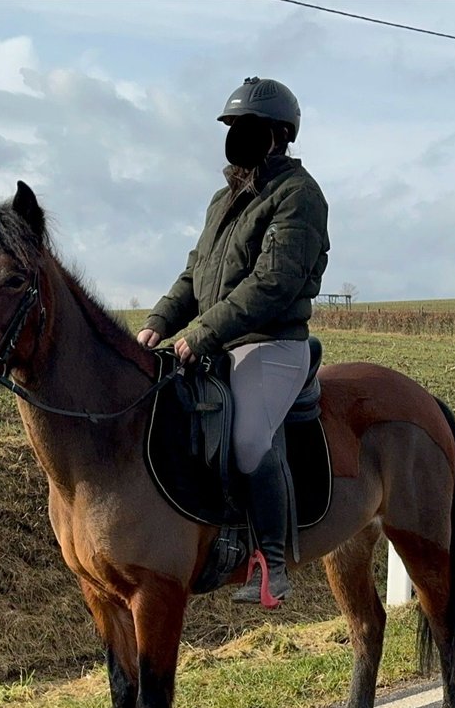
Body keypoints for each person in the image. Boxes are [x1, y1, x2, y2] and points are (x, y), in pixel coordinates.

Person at [136, 76, 330, 604]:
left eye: (247, 129)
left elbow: (272, 284)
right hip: (217, 342)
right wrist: (160, 321)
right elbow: (195, 273)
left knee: (247, 438)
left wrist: (202, 332)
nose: (236, 138)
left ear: (277, 134)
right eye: (232, 128)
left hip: (270, 344)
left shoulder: (299, 196)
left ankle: (269, 562)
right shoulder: (222, 200)